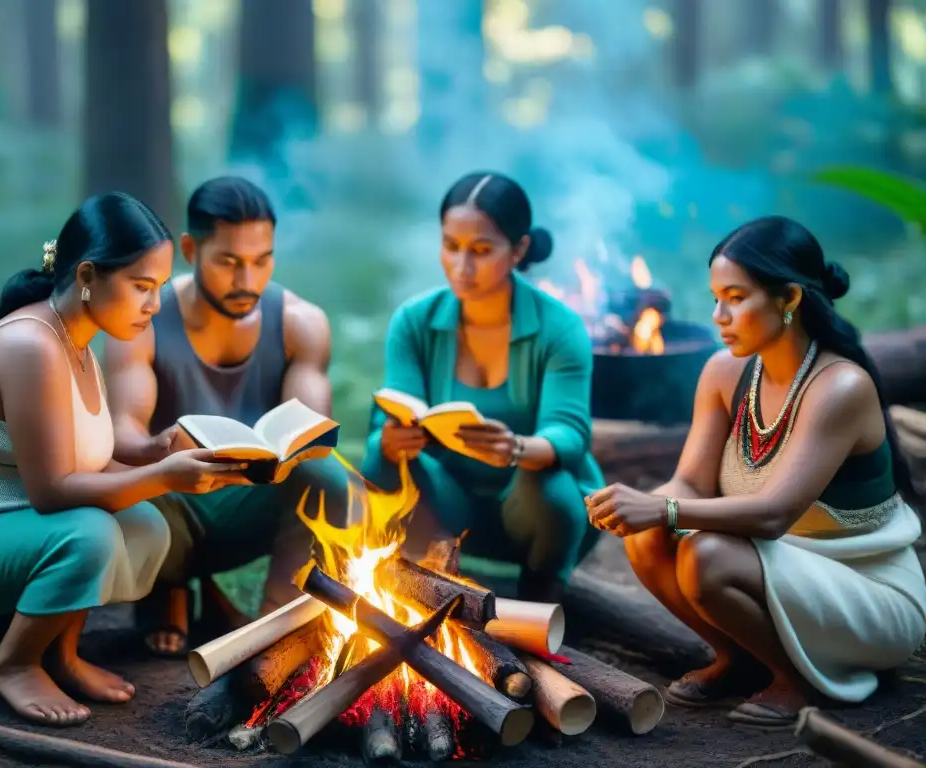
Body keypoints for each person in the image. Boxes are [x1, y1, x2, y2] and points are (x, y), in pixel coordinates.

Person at [0, 192, 251, 727]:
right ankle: (11, 663)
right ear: (88, 274)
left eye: (158, 289)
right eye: (141, 287)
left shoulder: (78, 343)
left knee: (143, 526)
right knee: (88, 531)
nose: (154, 306)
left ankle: (59, 655)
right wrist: (163, 476)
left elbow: (90, 460)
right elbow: (54, 491)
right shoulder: (32, 346)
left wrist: (163, 454)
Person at [586, 216, 926, 728]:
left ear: (788, 299)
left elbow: (774, 516)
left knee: (706, 554)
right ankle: (742, 661)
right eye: (715, 297)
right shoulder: (725, 372)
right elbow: (690, 484)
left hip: (868, 597)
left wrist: (663, 507)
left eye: (735, 297)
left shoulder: (838, 387)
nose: (718, 315)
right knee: (649, 537)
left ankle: (799, 682)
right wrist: (645, 504)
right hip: (783, 571)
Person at [103, 175, 352, 657]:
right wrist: (165, 449)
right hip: (169, 498)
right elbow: (122, 433)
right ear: (192, 250)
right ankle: (168, 590)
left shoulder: (301, 322)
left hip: (247, 501)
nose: (247, 281)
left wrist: (285, 454)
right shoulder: (143, 319)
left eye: (262, 261)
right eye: (229, 262)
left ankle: (274, 623)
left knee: (327, 476)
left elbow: (312, 435)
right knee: (114, 477)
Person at [361, 171, 604, 603]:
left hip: (538, 514)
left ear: (519, 250)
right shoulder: (415, 320)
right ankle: (421, 586)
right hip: (451, 501)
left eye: (481, 250)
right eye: (451, 246)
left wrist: (516, 448)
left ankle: (541, 594)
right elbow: (392, 409)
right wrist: (393, 439)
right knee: (385, 455)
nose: (461, 266)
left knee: (545, 483)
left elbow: (569, 432)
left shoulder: (560, 328)